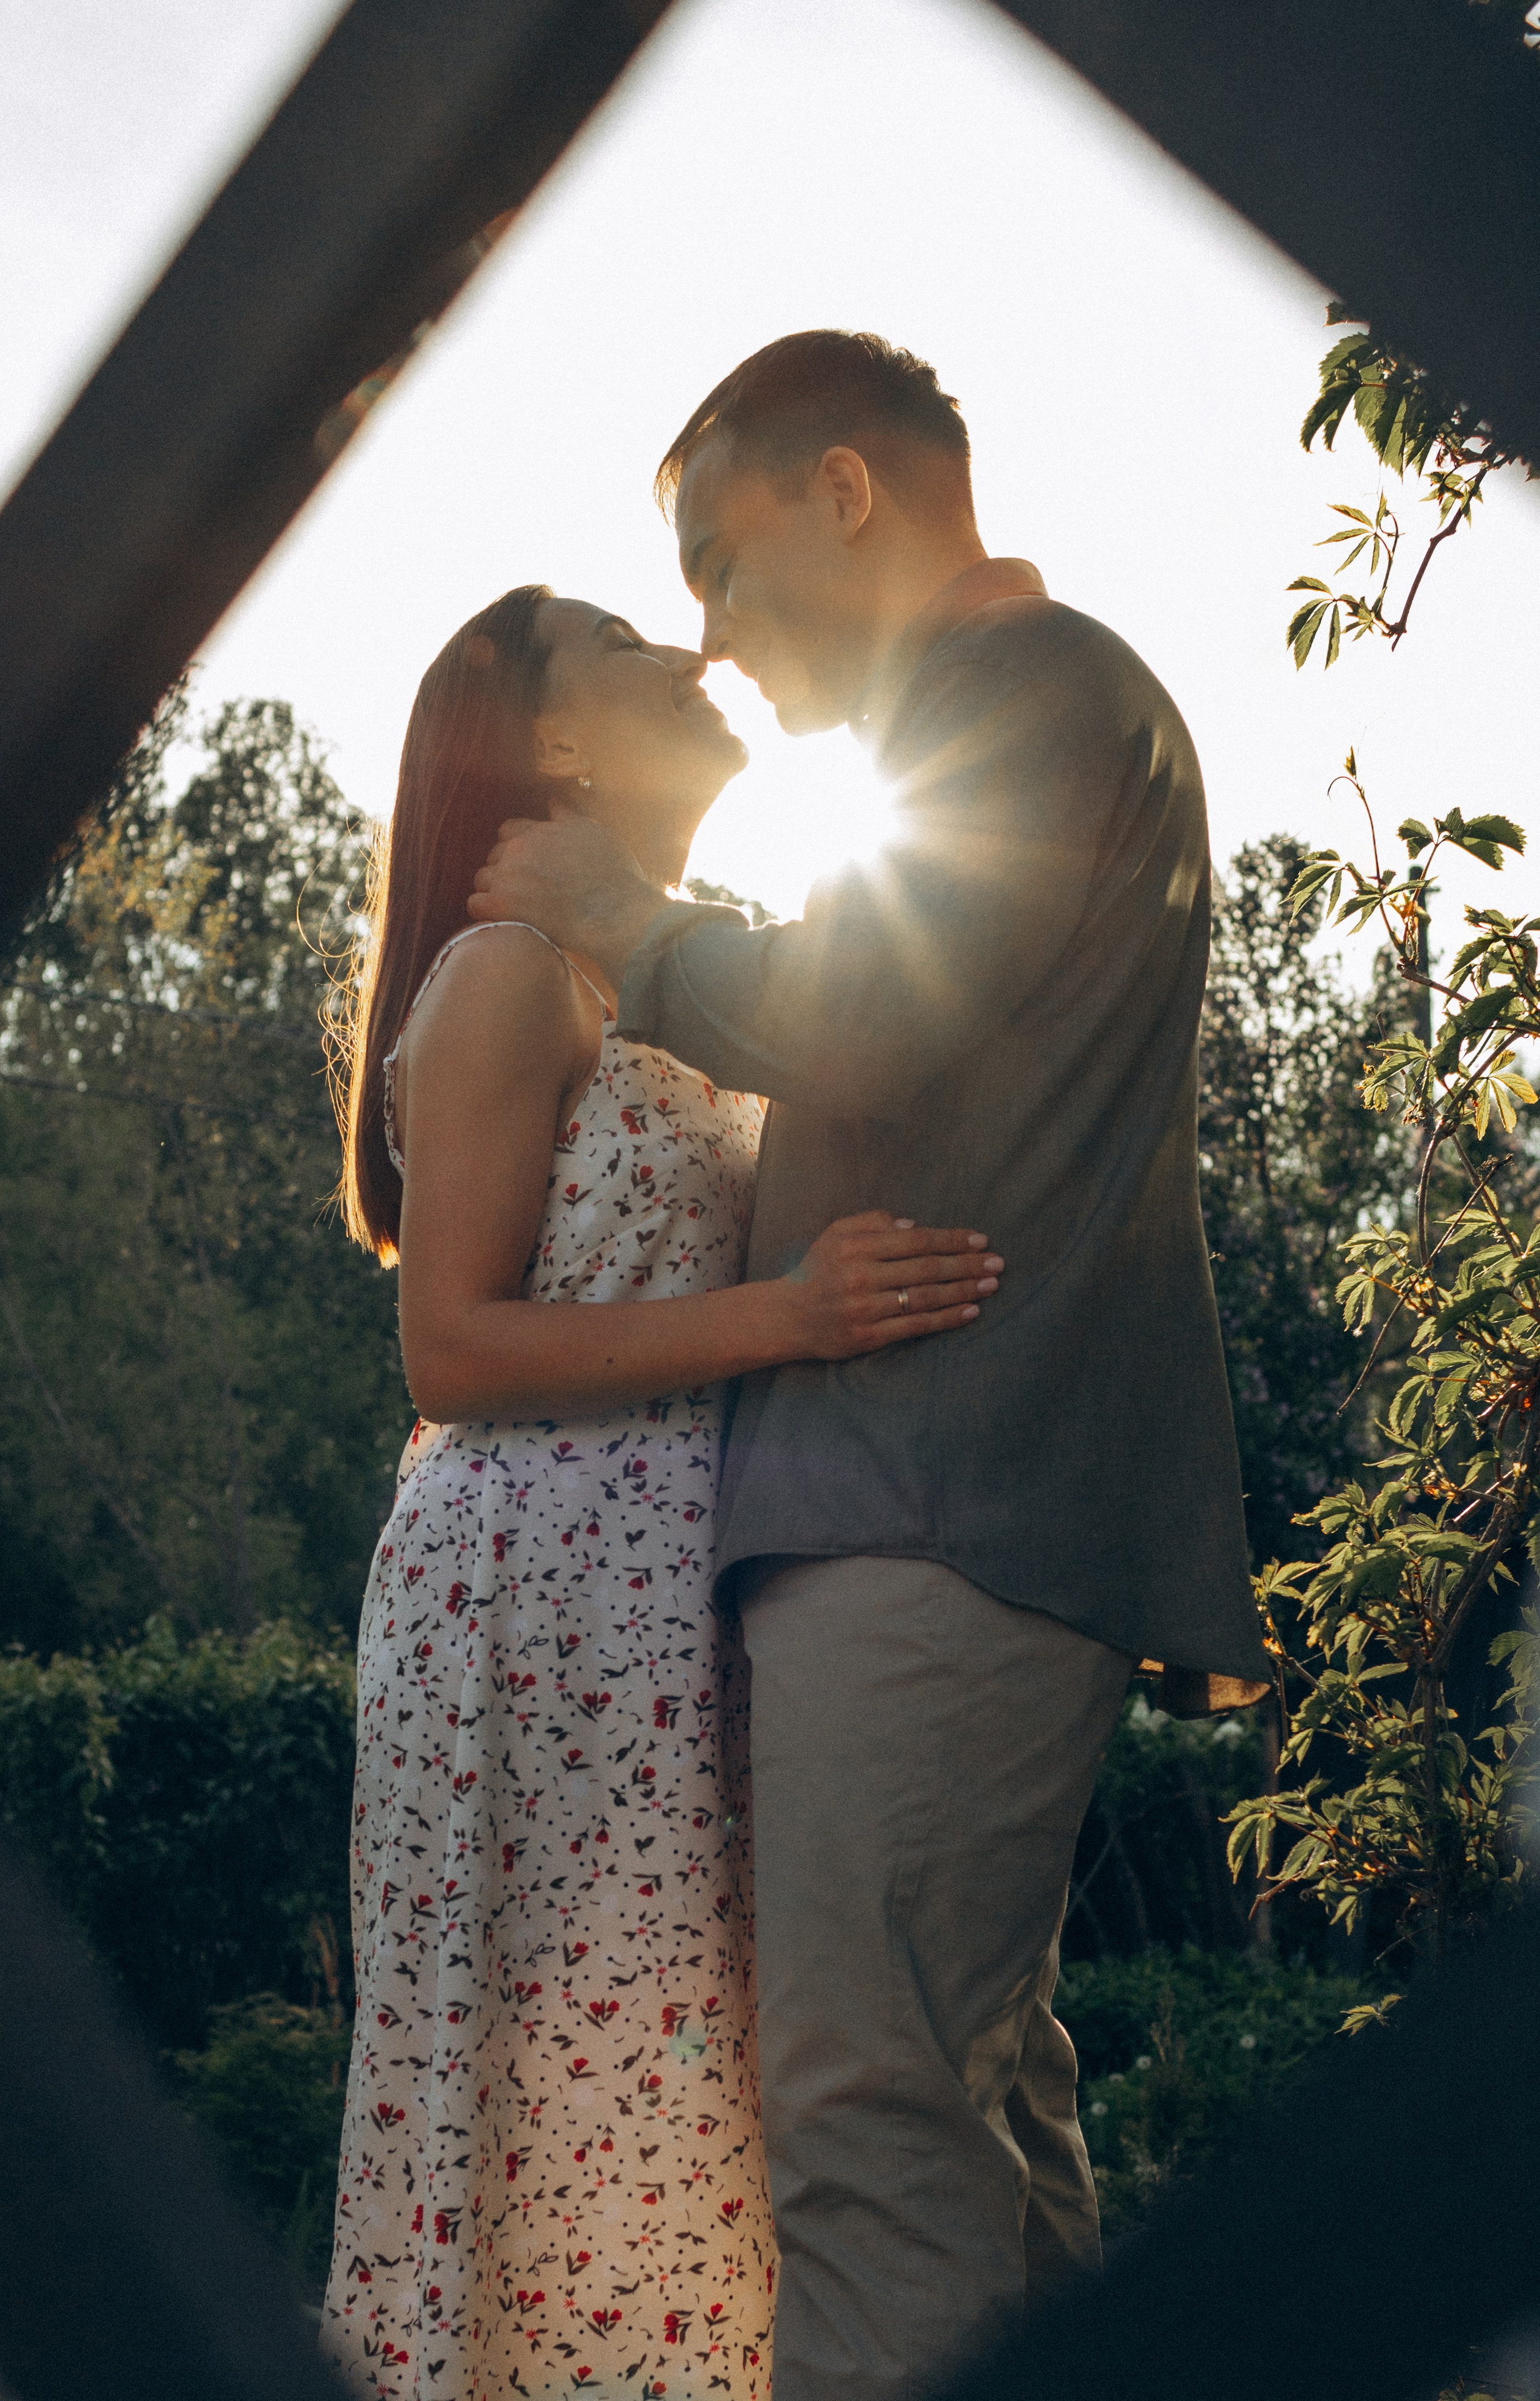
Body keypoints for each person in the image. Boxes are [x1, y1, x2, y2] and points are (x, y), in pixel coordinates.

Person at [467, 333, 1271, 2401]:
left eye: (723, 565)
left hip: (940, 1497)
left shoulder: (1026, 694)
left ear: (847, 492)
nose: (714, 638)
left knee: (865, 2119)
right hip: (962, 1509)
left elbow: (856, 1015)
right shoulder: (1018, 713)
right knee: (978, 2100)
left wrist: (622, 917)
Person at [322, 581, 1002, 2401]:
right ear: (551, 744)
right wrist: (790, 1314)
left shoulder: (686, 971)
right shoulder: (508, 974)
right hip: (531, 1610)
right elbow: (448, 1351)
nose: (693, 652)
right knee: (551, 2106)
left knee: (680, 2105)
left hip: (676, 1604)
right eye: (633, 644)